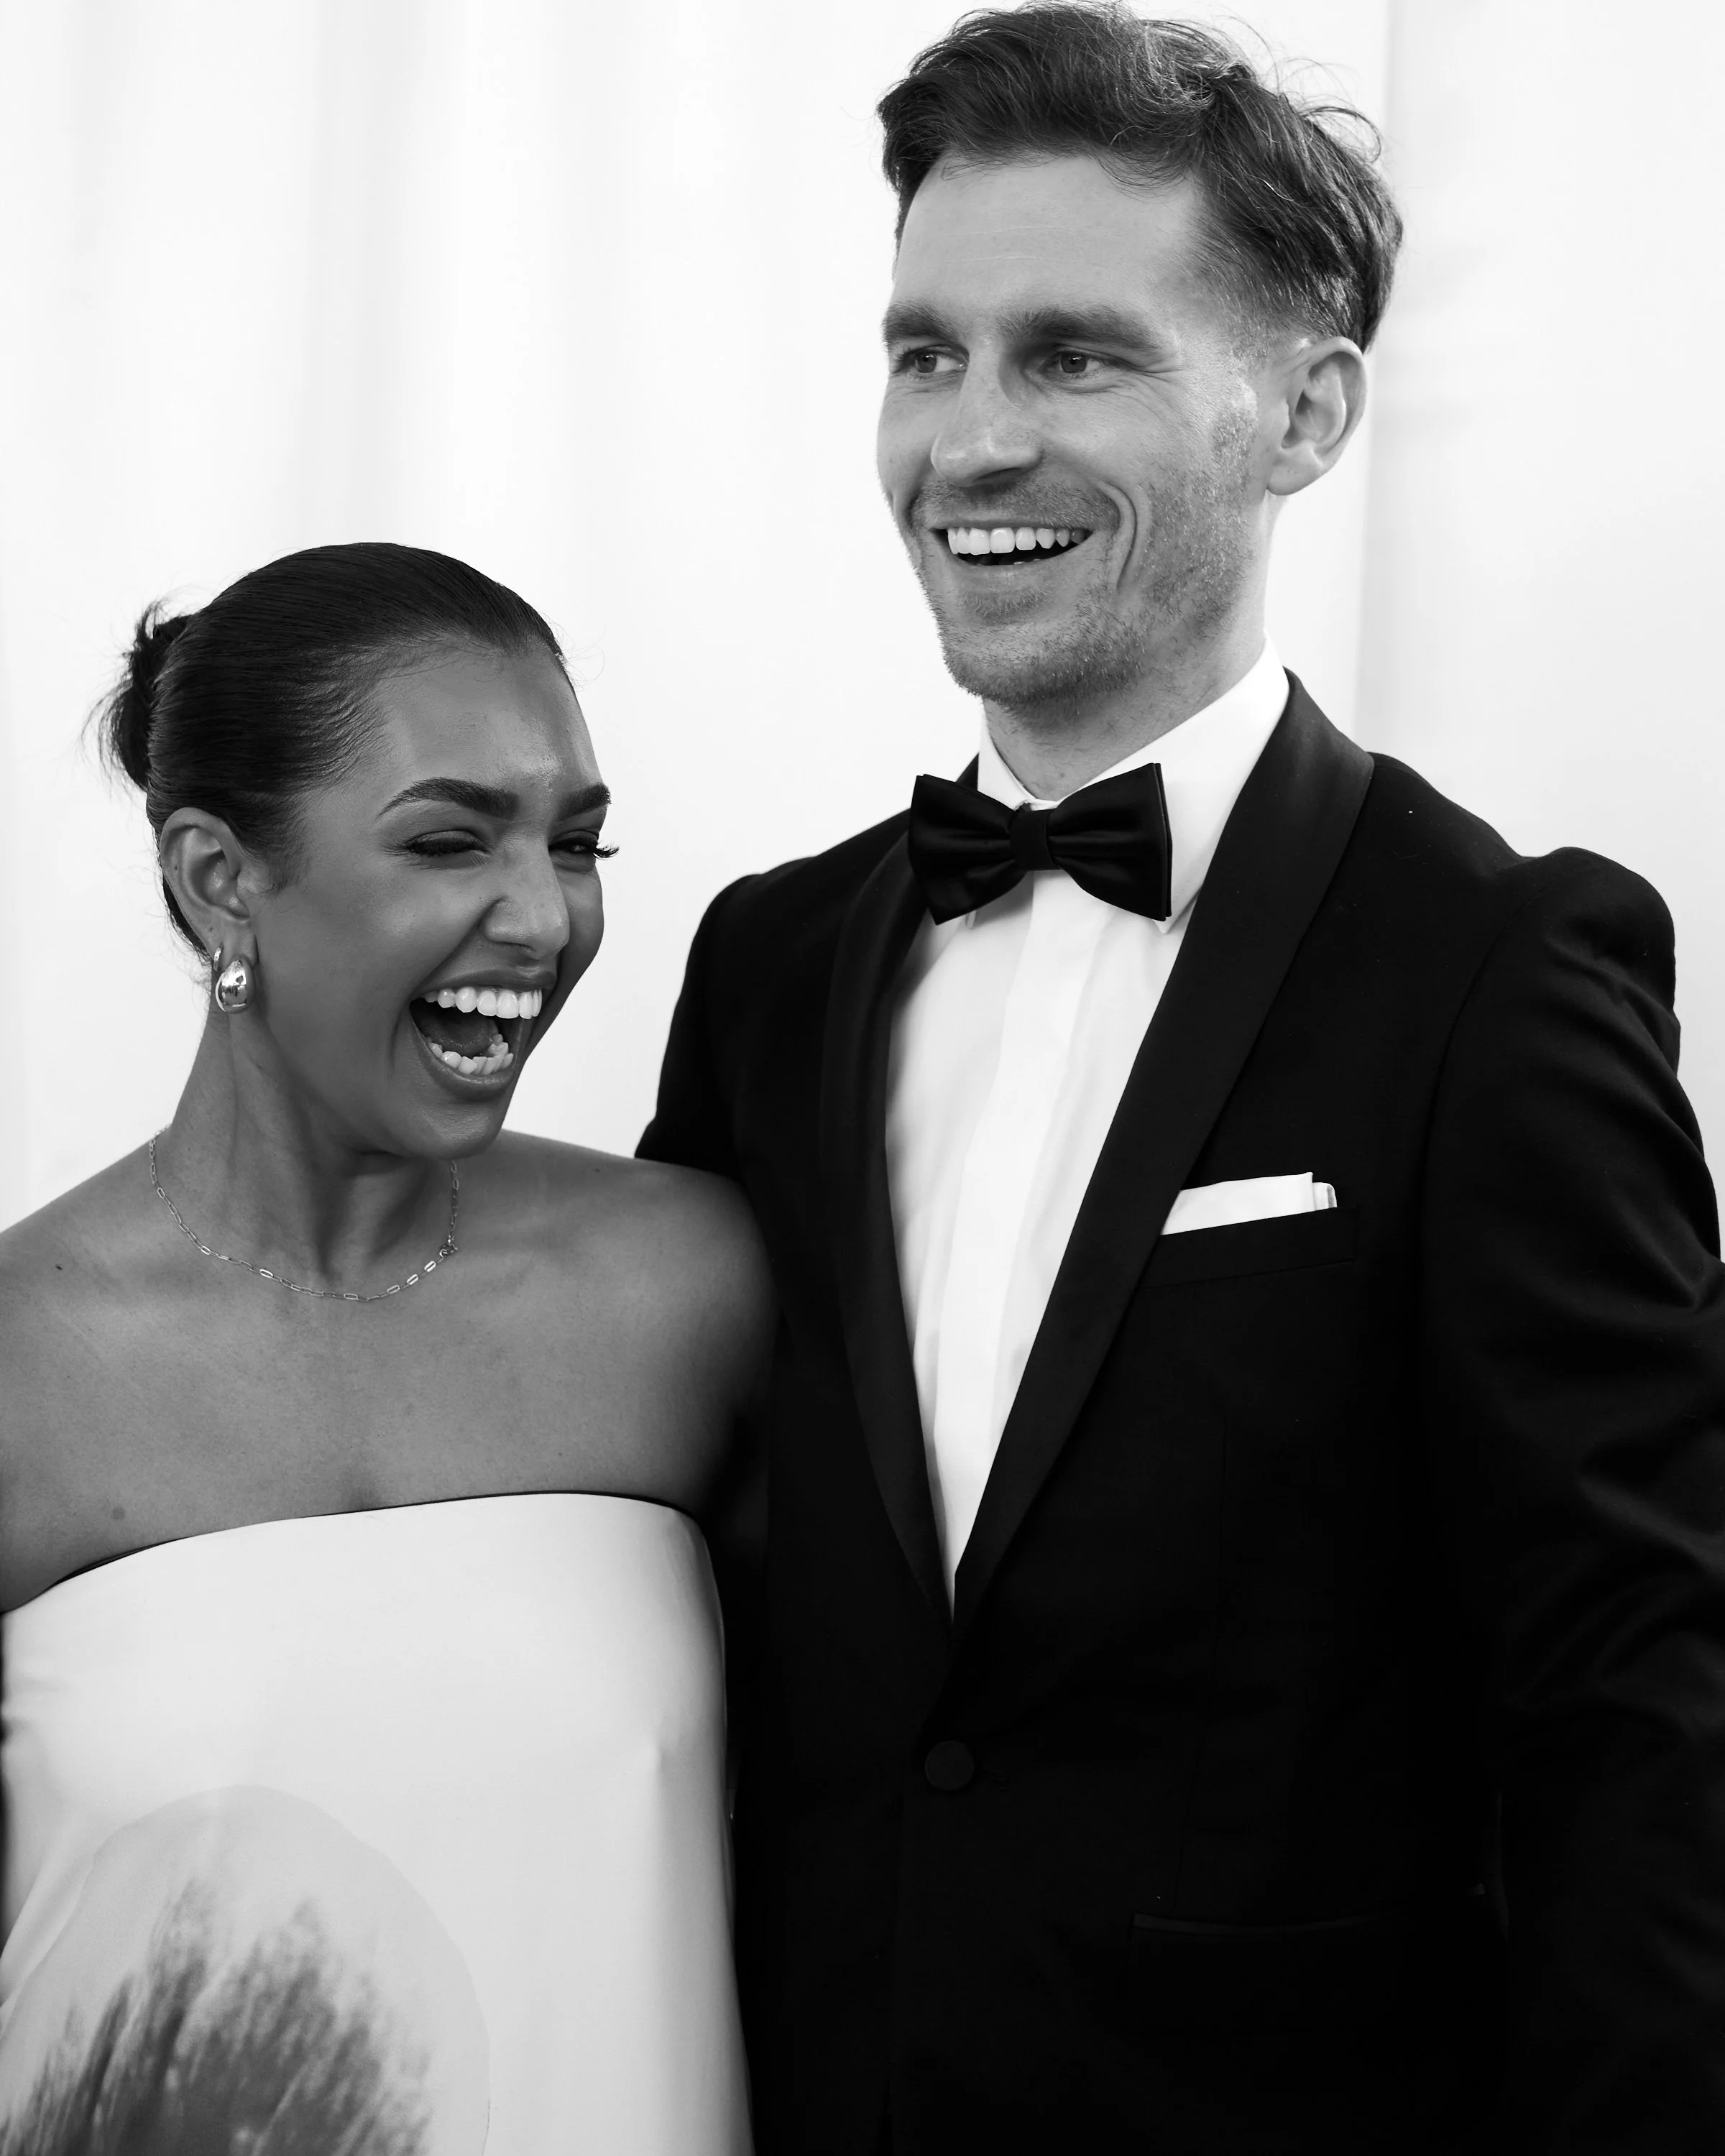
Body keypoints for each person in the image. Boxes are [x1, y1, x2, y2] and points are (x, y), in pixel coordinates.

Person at [639, 7, 1725, 2151]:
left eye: (1074, 354)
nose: (965, 445)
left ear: (1304, 412)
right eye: (923, 353)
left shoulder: (1502, 973)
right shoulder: (768, 964)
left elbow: (1645, 1715)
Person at [0, 542, 768, 2155]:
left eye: (578, 841)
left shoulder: (692, 1289)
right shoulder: (22, 1363)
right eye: (448, 842)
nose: (545, 915)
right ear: (221, 879)